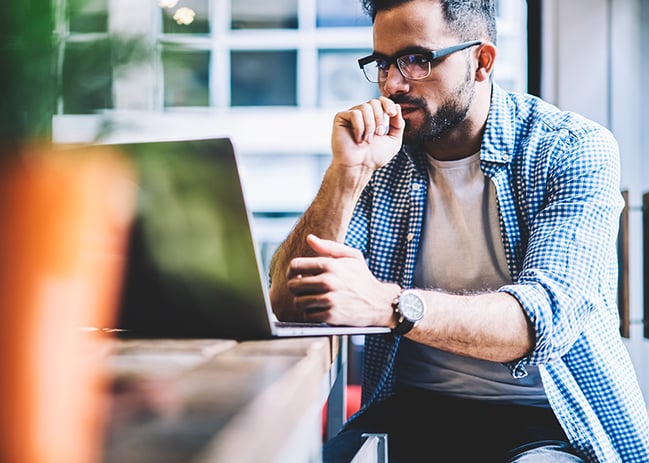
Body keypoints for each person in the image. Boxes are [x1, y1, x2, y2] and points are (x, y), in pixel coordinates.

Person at [268, 0, 649, 461]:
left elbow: (540, 322)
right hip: (408, 411)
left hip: (550, 421)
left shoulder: (571, 148)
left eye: (417, 60)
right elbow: (291, 301)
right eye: (383, 63)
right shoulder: (385, 156)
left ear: (482, 61)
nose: (392, 84)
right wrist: (347, 173)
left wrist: (389, 305)